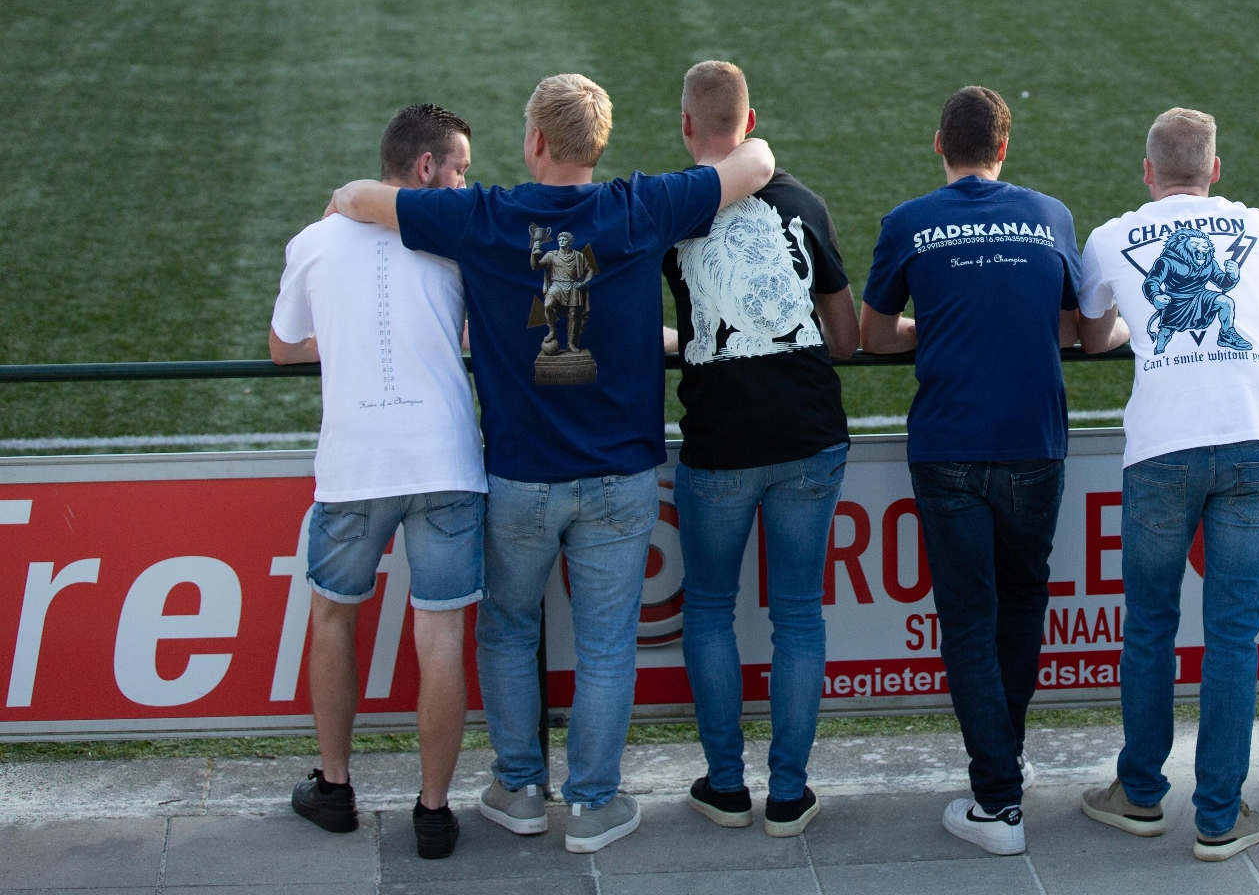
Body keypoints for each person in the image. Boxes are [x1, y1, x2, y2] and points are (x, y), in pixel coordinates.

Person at [325, 74, 775, 853]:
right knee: (606, 645)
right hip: (620, 475)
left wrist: (340, 199)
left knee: (505, 633)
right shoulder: (639, 207)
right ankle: (594, 804)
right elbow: (757, 162)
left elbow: (364, 198)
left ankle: (521, 788)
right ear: (595, 144)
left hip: (521, 477)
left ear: (534, 140)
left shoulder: (484, 215)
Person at [860, 86, 1082, 856]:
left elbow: (875, 337)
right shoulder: (1051, 215)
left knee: (968, 618)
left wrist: (939, 324)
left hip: (950, 443)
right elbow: (1074, 323)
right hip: (1034, 440)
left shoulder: (908, 222)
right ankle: (1002, 770)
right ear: (1004, 147)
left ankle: (998, 796)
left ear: (938, 145)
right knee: (1020, 604)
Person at [270, 103, 485, 859]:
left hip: (355, 463)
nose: (467, 182)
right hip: (447, 461)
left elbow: (284, 346)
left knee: (333, 618)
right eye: (460, 167)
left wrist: (352, 336)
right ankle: (433, 811)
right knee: (442, 637)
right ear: (426, 169)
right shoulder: (456, 240)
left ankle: (334, 787)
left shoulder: (314, 242)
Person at [1074, 108, 1259, 862]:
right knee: (1232, 632)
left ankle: (1139, 793)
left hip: (1162, 447)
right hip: (1251, 439)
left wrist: (1137, 327)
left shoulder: (1107, 237)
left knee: (1149, 626)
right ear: (1215, 170)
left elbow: (1092, 333)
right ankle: (1220, 815)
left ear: (1147, 172)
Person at [661, 61, 856, 838]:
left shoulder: (668, 209)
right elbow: (844, 338)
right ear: (751, 121)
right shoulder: (802, 202)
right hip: (809, 430)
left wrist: (690, 341)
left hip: (720, 440)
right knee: (798, 616)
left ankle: (725, 784)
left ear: (686, 127)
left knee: (708, 610)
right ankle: (789, 792)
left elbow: (613, 319)